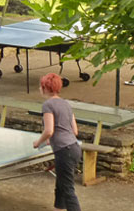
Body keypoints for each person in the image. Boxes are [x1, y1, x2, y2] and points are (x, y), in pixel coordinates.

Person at [33, 73, 82, 211]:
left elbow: (49, 130)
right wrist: (52, 139)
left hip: (64, 150)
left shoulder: (47, 105)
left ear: (44, 88)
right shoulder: (66, 103)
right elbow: (75, 131)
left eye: (40, 86)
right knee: (61, 184)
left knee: (67, 189)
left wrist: (38, 142)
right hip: (74, 148)